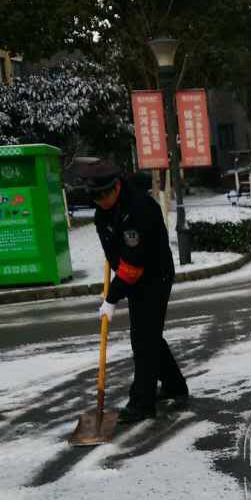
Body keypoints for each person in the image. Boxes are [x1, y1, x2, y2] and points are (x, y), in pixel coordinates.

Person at [85, 161, 189, 423]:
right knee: (148, 335)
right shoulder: (103, 214)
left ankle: (142, 403)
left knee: (143, 341)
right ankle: (175, 386)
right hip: (133, 278)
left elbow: (133, 265)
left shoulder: (140, 209)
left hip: (155, 276)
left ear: (117, 186)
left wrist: (111, 298)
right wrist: (116, 284)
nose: (101, 201)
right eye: (95, 197)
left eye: (104, 195)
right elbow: (115, 256)